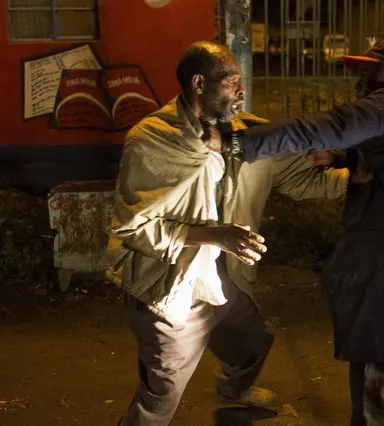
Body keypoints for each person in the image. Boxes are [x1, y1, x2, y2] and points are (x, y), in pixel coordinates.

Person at [209, 39, 384, 426]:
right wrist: (344, 155)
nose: (360, 80)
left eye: (370, 71)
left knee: (381, 347)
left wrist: (235, 141)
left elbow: (320, 127)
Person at [106, 41, 347, 426]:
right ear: (199, 83)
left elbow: (305, 181)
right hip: (171, 284)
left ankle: (233, 390)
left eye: (241, 82)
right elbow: (134, 228)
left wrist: (375, 179)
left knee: (252, 340)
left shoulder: (247, 136)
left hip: (223, 278)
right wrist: (214, 236)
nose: (241, 91)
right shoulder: (153, 139)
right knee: (160, 395)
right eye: (232, 81)